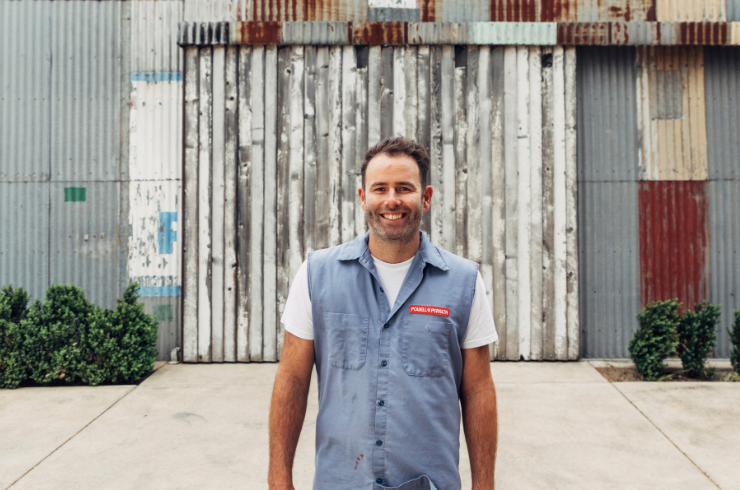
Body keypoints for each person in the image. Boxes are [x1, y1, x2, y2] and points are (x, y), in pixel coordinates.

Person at [268, 136, 499, 490]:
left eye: (404, 188)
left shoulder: (464, 282)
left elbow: (479, 389)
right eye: (380, 188)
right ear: (363, 197)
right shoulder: (317, 275)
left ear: (426, 197)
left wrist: (485, 484)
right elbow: (292, 380)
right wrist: (278, 478)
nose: (392, 200)